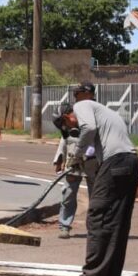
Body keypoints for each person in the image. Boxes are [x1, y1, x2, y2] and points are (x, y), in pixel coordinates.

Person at [54, 97, 138, 276]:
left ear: (68, 116)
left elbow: (89, 129)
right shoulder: (103, 112)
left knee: (97, 217)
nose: (71, 129)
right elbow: (96, 143)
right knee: (116, 224)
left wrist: (75, 155)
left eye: (67, 125)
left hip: (116, 164)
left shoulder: (81, 105)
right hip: (130, 162)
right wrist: (83, 157)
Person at [52, 82, 97, 238]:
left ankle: (94, 228)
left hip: (92, 164)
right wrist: (59, 159)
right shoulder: (69, 126)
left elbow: (97, 141)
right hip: (73, 165)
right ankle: (64, 225)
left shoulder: (90, 117)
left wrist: (89, 154)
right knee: (69, 195)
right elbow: (63, 141)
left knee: (96, 197)